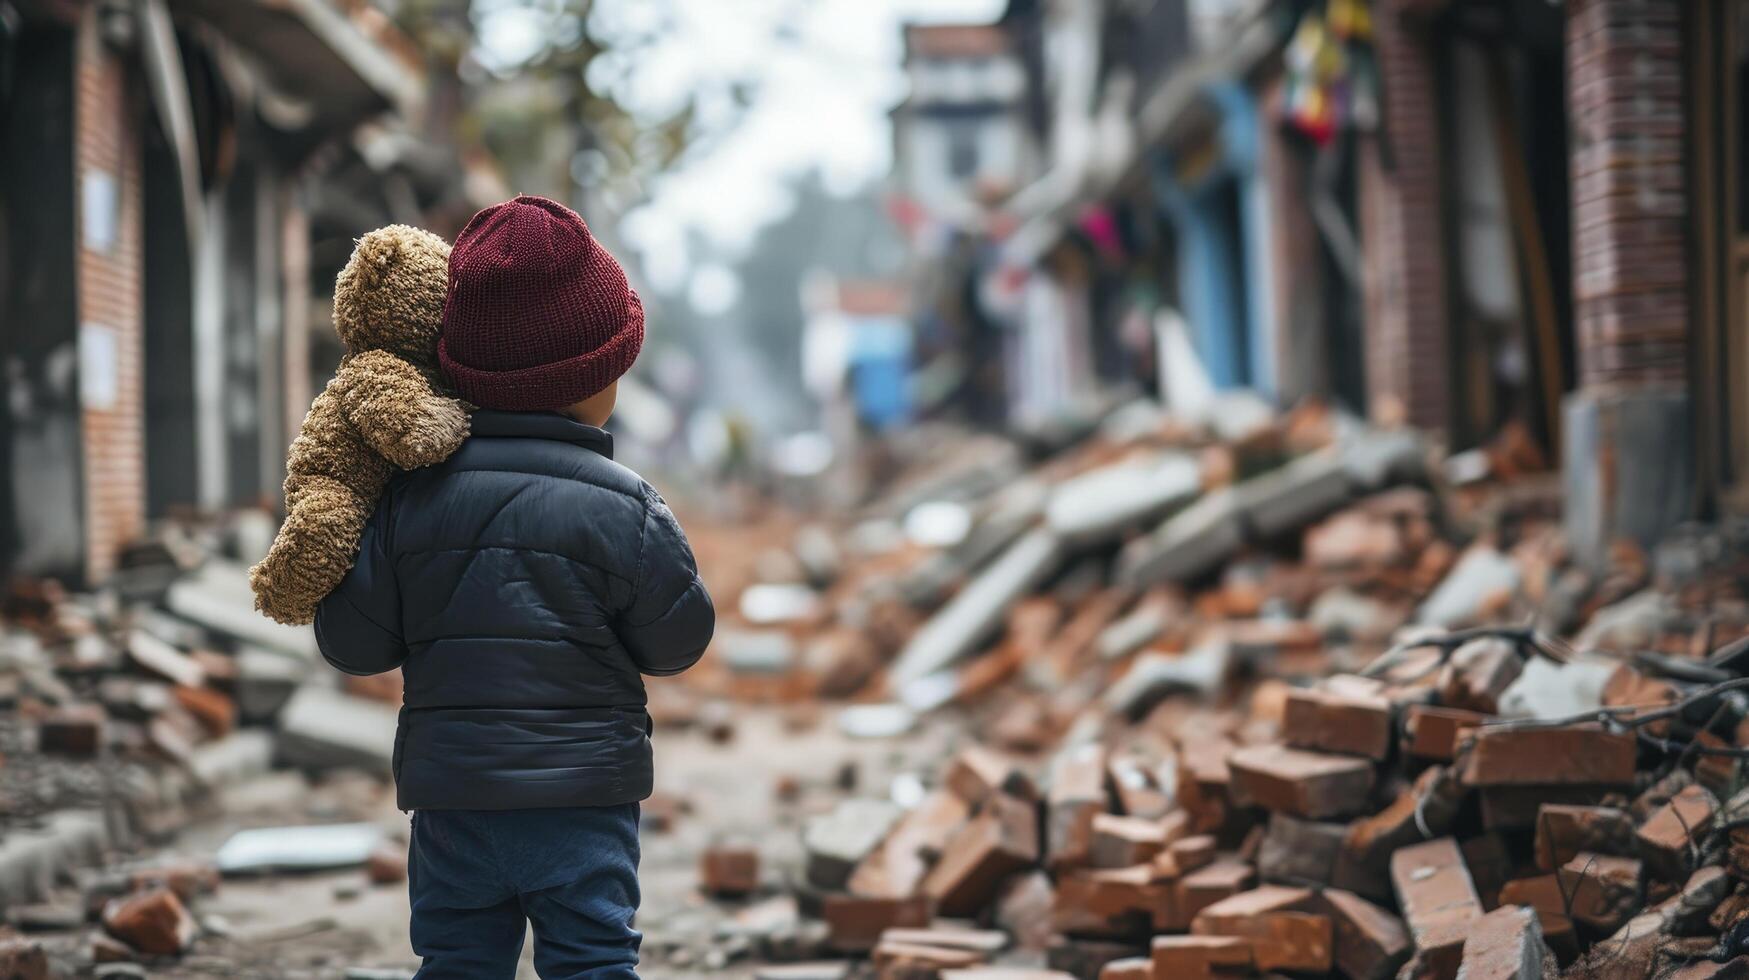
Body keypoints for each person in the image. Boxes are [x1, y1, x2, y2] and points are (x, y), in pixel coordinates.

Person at [313, 195, 715, 979]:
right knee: (594, 959)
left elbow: (353, 645)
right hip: (584, 801)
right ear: (596, 377)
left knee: (458, 960)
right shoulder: (624, 506)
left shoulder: (407, 501)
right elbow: (679, 642)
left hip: (452, 803)